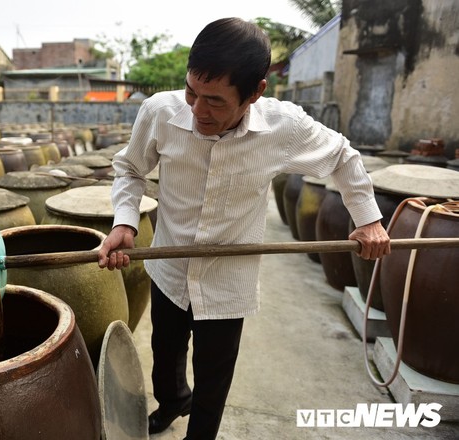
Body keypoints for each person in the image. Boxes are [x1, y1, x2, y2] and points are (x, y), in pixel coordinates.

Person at [98, 17, 391, 439]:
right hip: (168, 266)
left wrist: (368, 221)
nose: (198, 110)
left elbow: (343, 157)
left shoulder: (284, 128)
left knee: (213, 379)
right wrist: (125, 221)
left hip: (227, 279)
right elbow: (129, 169)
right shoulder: (160, 112)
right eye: (192, 92)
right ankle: (173, 400)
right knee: (164, 359)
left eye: (215, 101)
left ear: (255, 92)